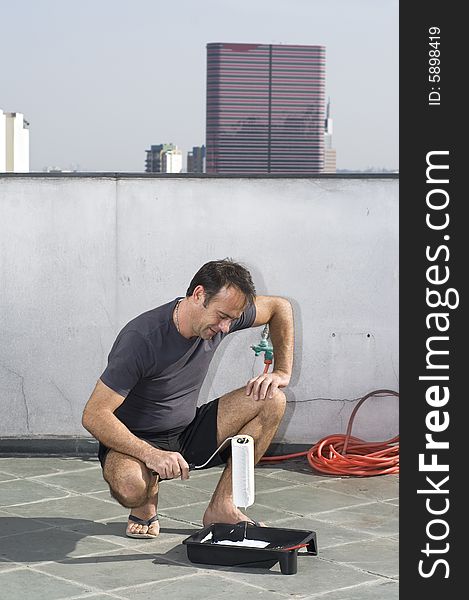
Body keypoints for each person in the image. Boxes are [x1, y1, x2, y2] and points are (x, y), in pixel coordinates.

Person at [82, 259, 293, 539]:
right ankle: (146, 499)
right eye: (222, 316)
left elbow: (280, 308)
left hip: (187, 430)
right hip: (134, 440)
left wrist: (281, 372)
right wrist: (150, 455)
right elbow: (94, 414)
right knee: (132, 487)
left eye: (232, 318)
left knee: (273, 400)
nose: (226, 327)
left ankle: (222, 506)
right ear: (198, 295)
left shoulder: (222, 316)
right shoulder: (141, 338)